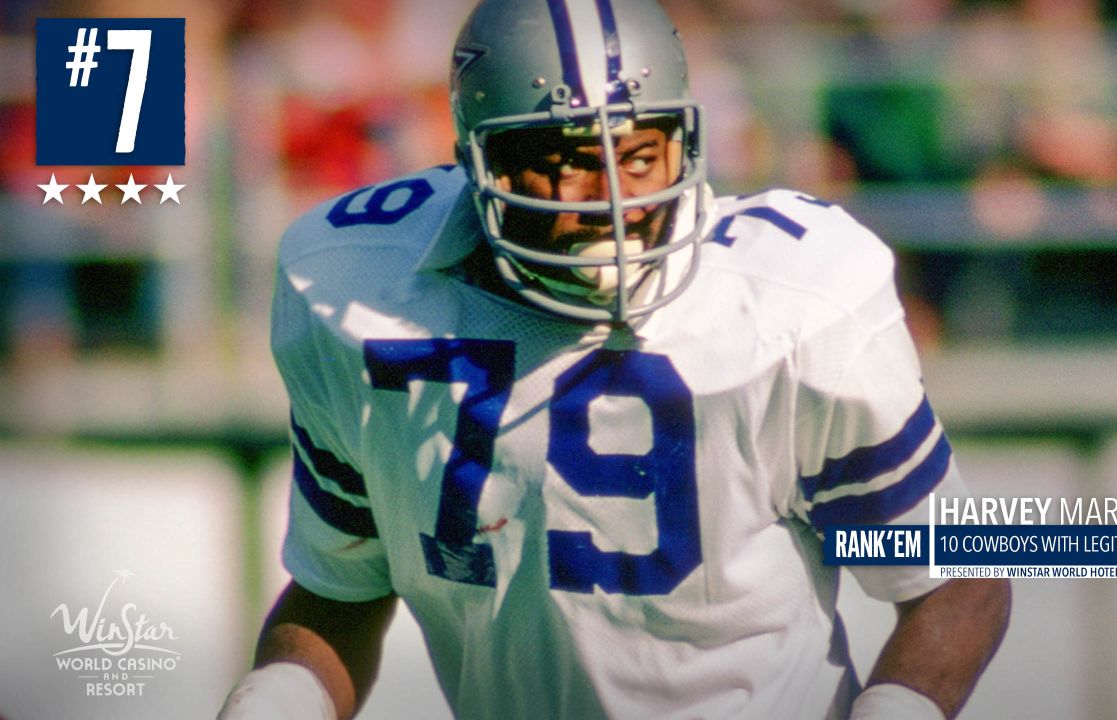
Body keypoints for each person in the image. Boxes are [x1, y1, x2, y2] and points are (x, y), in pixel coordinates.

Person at [220, 1, 1010, 718]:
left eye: (638, 156)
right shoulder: (363, 292)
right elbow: (340, 592)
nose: (609, 199)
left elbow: (959, 579)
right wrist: (275, 698)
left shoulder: (786, 301)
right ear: (478, 160)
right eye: (565, 161)